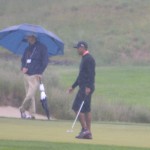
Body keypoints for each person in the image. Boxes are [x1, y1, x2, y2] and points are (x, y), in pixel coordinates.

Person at [68, 41, 95, 139]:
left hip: (86, 87)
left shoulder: (88, 59)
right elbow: (81, 76)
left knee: (76, 107)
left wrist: (88, 87)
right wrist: (73, 86)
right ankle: (88, 133)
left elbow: (91, 74)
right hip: (85, 87)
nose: (77, 50)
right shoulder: (84, 58)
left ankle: (85, 130)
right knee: (86, 109)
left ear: (82, 48)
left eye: (78, 48)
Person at [19, 33, 49, 119]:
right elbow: (23, 60)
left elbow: (45, 62)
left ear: (34, 37)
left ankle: (22, 109)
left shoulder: (42, 48)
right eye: (27, 37)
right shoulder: (27, 48)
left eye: (29, 36)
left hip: (35, 75)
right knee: (30, 96)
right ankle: (32, 115)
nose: (28, 38)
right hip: (26, 75)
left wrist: (40, 72)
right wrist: (23, 67)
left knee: (30, 94)